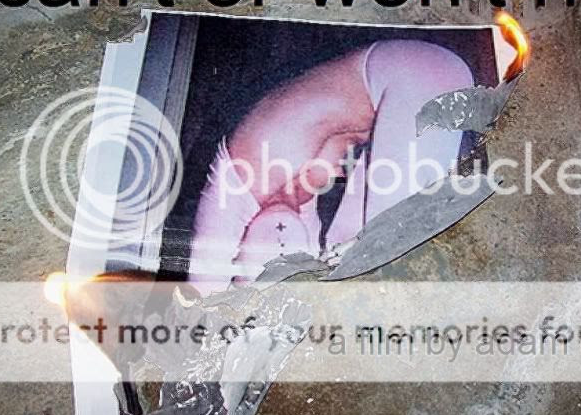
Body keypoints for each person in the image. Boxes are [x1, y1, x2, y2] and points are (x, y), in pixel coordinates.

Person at [189, 39, 474, 295]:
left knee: (388, 258)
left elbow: (203, 288)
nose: (338, 173)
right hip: (419, 84)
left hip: (414, 73)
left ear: (239, 252)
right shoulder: (296, 202)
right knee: (347, 250)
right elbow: (324, 263)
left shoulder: (233, 182)